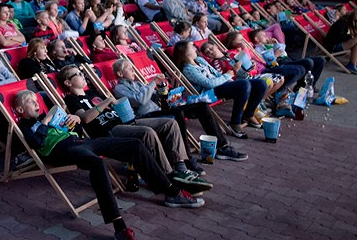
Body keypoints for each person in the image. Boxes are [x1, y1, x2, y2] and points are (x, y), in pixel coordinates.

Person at [14, 90, 202, 240]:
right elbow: (36, 143)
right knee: (97, 164)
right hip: (63, 151)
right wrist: (46, 122)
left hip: (82, 142)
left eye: (35, 100)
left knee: (135, 145)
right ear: (20, 110)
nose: (36, 103)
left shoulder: (47, 119)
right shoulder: (24, 127)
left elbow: (77, 129)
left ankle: (170, 192)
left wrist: (76, 120)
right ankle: (120, 229)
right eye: (30, 101)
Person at [56, 66, 211, 193]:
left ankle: (181, 169)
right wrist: (106, 101)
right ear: (68, 83)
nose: (83, 76)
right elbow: (85, 118)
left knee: (169, 123)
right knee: (147, 133)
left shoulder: (93, 93)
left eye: (83, 73)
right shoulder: (71, 99)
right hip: (110, 130)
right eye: (78, 74)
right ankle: (169, 175)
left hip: (127, 121)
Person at [111, 58, 247, 164]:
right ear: (120, 74)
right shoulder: (119, 89)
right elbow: (140, 101)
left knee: (202, 106)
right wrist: (152, 82)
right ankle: (186, 157)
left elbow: (155, 97)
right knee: (177, 114)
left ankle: (222, 147)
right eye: (129, 68)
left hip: (160, 110)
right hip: (147, 116)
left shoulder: (138, 84)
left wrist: (165, 91)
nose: (133, 69)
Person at [172, 40, 266, 138]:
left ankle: (249, 114)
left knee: (260, 84)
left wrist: (231, 75)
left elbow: (216, 74)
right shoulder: (188, 69)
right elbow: (209, 84)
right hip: (210, 93)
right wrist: (228, 75)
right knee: (244, 85)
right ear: (186, 53)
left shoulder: (200, 61)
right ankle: (235, 123)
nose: (195, 49)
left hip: (221, 85)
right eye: (192, 47)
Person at [324, 10, 357, 75]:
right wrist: (352, 37)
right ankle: (352, 64)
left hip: (343, 43)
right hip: (333, 46)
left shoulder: (349, 22)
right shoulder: (342, 23)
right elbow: (339, 38)